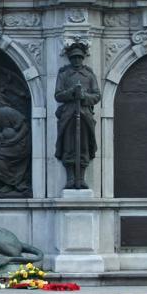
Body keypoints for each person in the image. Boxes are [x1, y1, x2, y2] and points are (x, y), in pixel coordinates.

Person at [54, 41, 100, 190]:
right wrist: (71, 93)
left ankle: (81, 177)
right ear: (70, 58)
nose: (77, 60)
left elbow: (97, 95)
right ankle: (70, 178)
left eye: (79, 58)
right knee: (68, 145)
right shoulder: (64, 74)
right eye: (74, 58)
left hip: (85, 114)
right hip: (68, 115)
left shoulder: (89, 75)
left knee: (84, 146)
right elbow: (58, 95)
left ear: (83, 58)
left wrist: (84, 96)